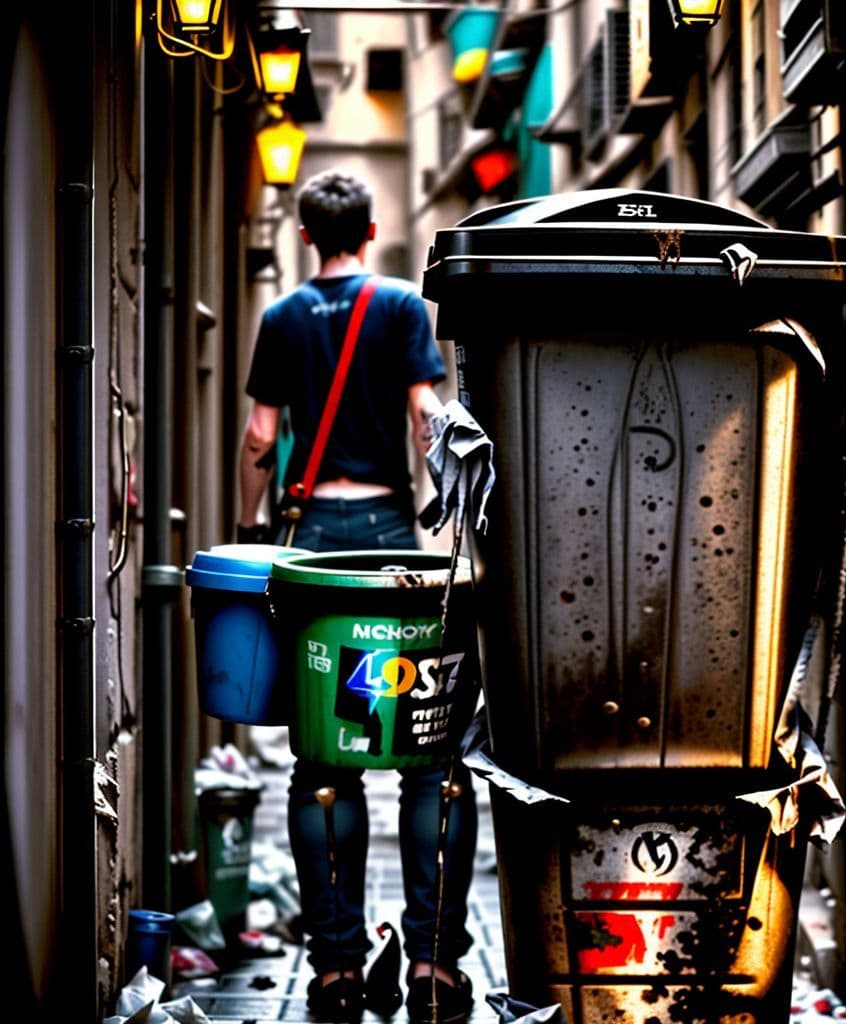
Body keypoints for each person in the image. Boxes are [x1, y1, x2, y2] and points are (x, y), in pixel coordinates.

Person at [236, 169, 478, 1024]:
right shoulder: (404, 310)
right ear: (371, 232)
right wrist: (450, 515)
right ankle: (433, 970)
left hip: (312, 543)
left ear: (307, 236)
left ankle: (337, 971)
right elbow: (426, 415)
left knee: (325, 764)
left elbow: (263, 436)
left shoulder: (280, 318)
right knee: (427, 755)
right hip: (387, 541)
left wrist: (253, 530)